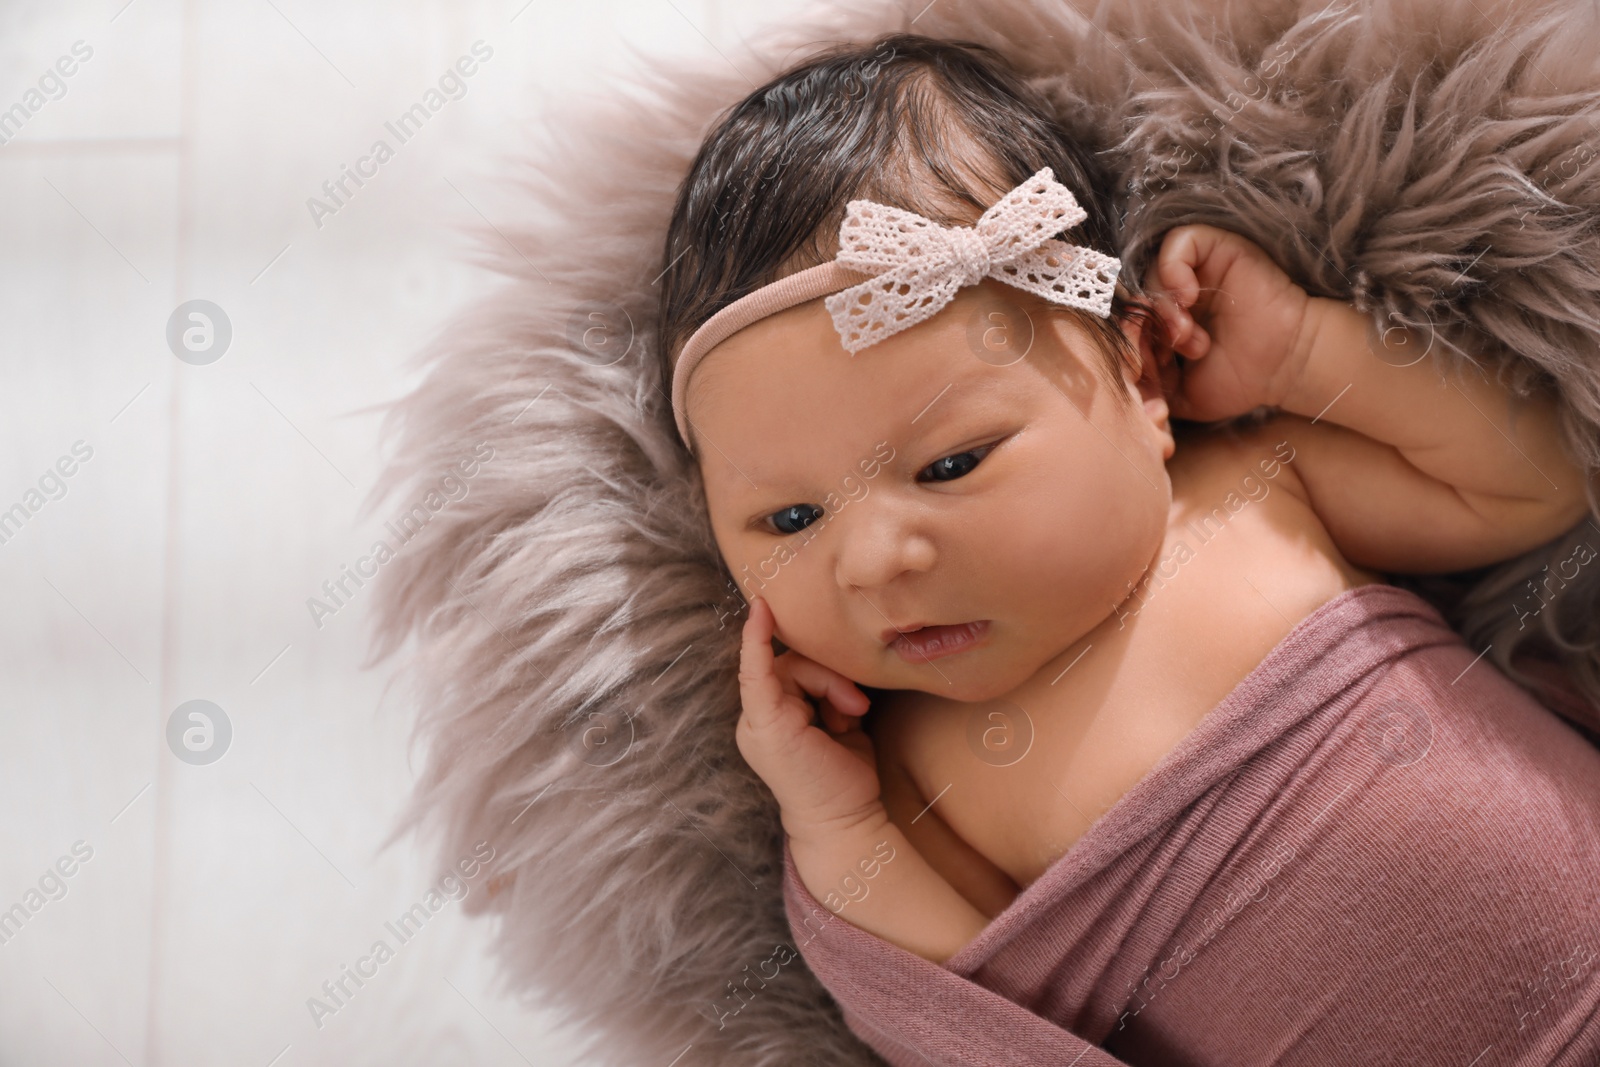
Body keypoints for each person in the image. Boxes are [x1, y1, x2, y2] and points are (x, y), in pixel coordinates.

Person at [656, 30, 1600, 1065]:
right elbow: (954, 1013)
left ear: (1142, 378)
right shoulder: (907, 773)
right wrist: (831, 821)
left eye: (951, 463)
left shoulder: (1255, 486)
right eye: (790, 520)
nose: (875, 558)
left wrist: (1300, 349)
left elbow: (1530, 484)